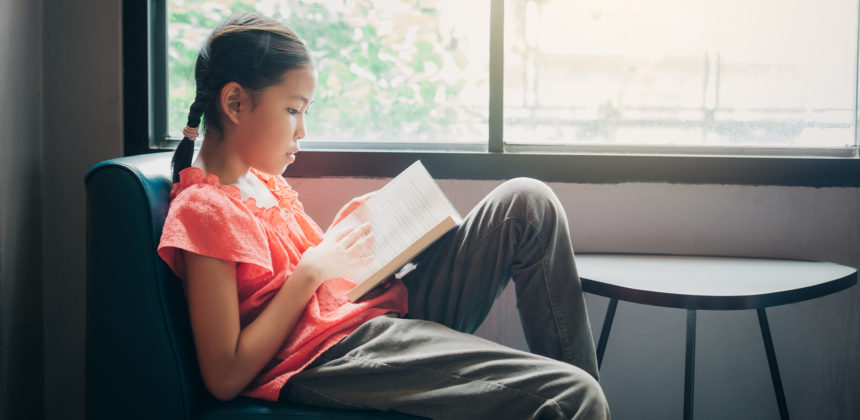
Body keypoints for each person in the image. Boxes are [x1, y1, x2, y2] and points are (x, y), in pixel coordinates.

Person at [157, 12, 610, 420]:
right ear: (235, 103)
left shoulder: (263, 185)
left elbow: (315, 280)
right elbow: (225, 375)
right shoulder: (204, 209)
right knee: (571, 395)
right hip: (331, 354)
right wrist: (311, 272)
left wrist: (363, 242)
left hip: (367, 312)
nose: (302, 131)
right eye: (293, 110)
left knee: (527, 203)